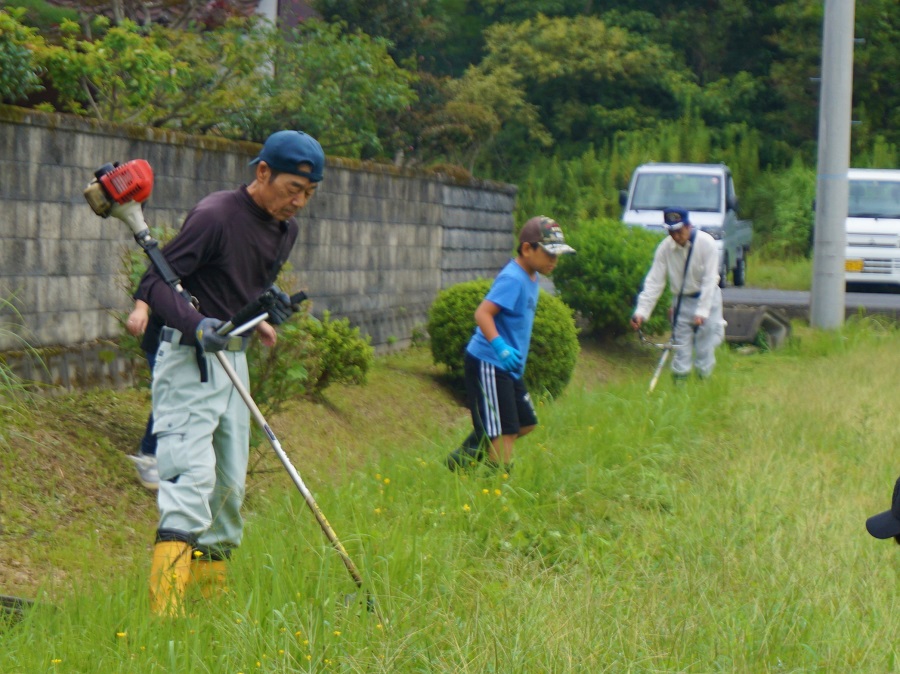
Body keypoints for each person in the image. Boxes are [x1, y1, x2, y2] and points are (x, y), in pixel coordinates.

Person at [135, 129, 324, 615]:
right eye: (292, 189)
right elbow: (154, 282)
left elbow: (238, 285)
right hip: (188, 359)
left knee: (228, 493)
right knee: (190, 484)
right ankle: (166, 618)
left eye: (308, 193)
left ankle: (209, 610)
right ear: (262, 172)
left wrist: (259, 314)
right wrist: (199, 325)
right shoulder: (215, 215)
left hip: (234, 359)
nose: (299, 202)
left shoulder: (286, 229)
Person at [446, 215, 576, 473]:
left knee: (525, 423)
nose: (554, 260)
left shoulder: (531, 276)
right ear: (527, 249)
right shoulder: (513, 279)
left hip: (508, 367)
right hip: (490, 362)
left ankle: (461, 460)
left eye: (557, 254)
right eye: (549, 253)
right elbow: (482, 313)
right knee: (504, 431)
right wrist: (500, 347)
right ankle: (496, 488)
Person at [629, 206, 725, 382]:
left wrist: (702, 312)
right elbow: (654, 281)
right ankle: (679, 389)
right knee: (681, 351)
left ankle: (704, 385)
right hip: (681, 302)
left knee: (704, 350)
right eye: (671, 231)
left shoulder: (707, 244)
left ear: (688, 226)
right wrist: (641, 312)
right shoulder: (665, 248)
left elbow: (711, 279)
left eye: (679, 230)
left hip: (708, 300)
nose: (675, 236)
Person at [125, 299, 163, 491]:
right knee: (167, 394)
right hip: (162, 338)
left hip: (198, 340)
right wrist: (141, 309)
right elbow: (153, 277)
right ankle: (148, 454)